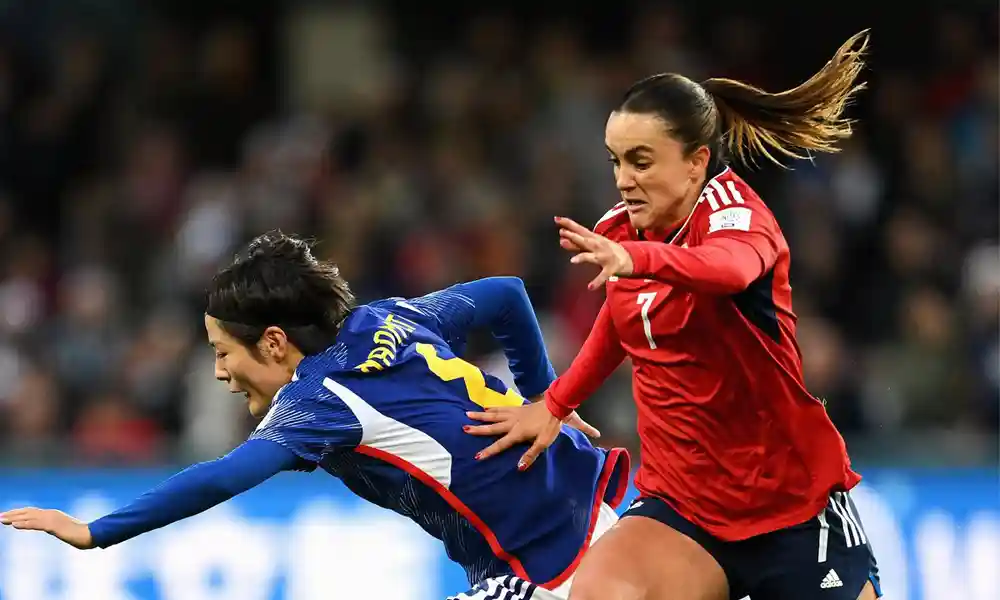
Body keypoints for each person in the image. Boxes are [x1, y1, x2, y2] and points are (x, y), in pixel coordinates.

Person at [467, 31, 882, 600]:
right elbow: (621, 321)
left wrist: (635, 258)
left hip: (791, 509)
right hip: (684, 510)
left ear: (696, 163)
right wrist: (557, 404)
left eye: (641, 161)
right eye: (616, 161)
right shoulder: (622, 227)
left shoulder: (738, 217)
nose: (622, 180)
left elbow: (729, 270)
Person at [1, 232, 630, 600]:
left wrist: (96, 531)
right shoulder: (390, 317)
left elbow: (221, 477)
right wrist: (549, 402)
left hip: (541, 568)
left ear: (273, 342)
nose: (220, 371)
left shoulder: (318, 400)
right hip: (596, 509)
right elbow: (505, 293)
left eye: (223, 352)